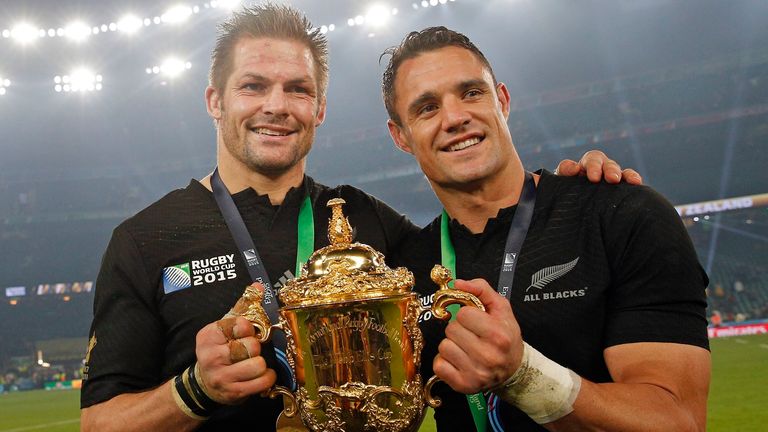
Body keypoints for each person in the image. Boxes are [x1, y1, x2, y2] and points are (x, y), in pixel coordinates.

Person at [79, 5, 637, 431]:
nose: (277, 105)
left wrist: (569, 190)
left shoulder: (370, 223)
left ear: (319, 109)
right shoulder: (143, 240)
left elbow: (478, 229)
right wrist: (193, 391)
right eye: (253, 86)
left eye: (298, 89)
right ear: (215, 101)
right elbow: (97, 422)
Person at [382, 27, 710, 431]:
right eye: (427, 108)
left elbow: (677, 420)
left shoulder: (620, 213)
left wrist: (524, 374)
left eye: (471, 93)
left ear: (501, 100)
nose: (455, 118)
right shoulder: (401, 272)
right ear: (400, 136)